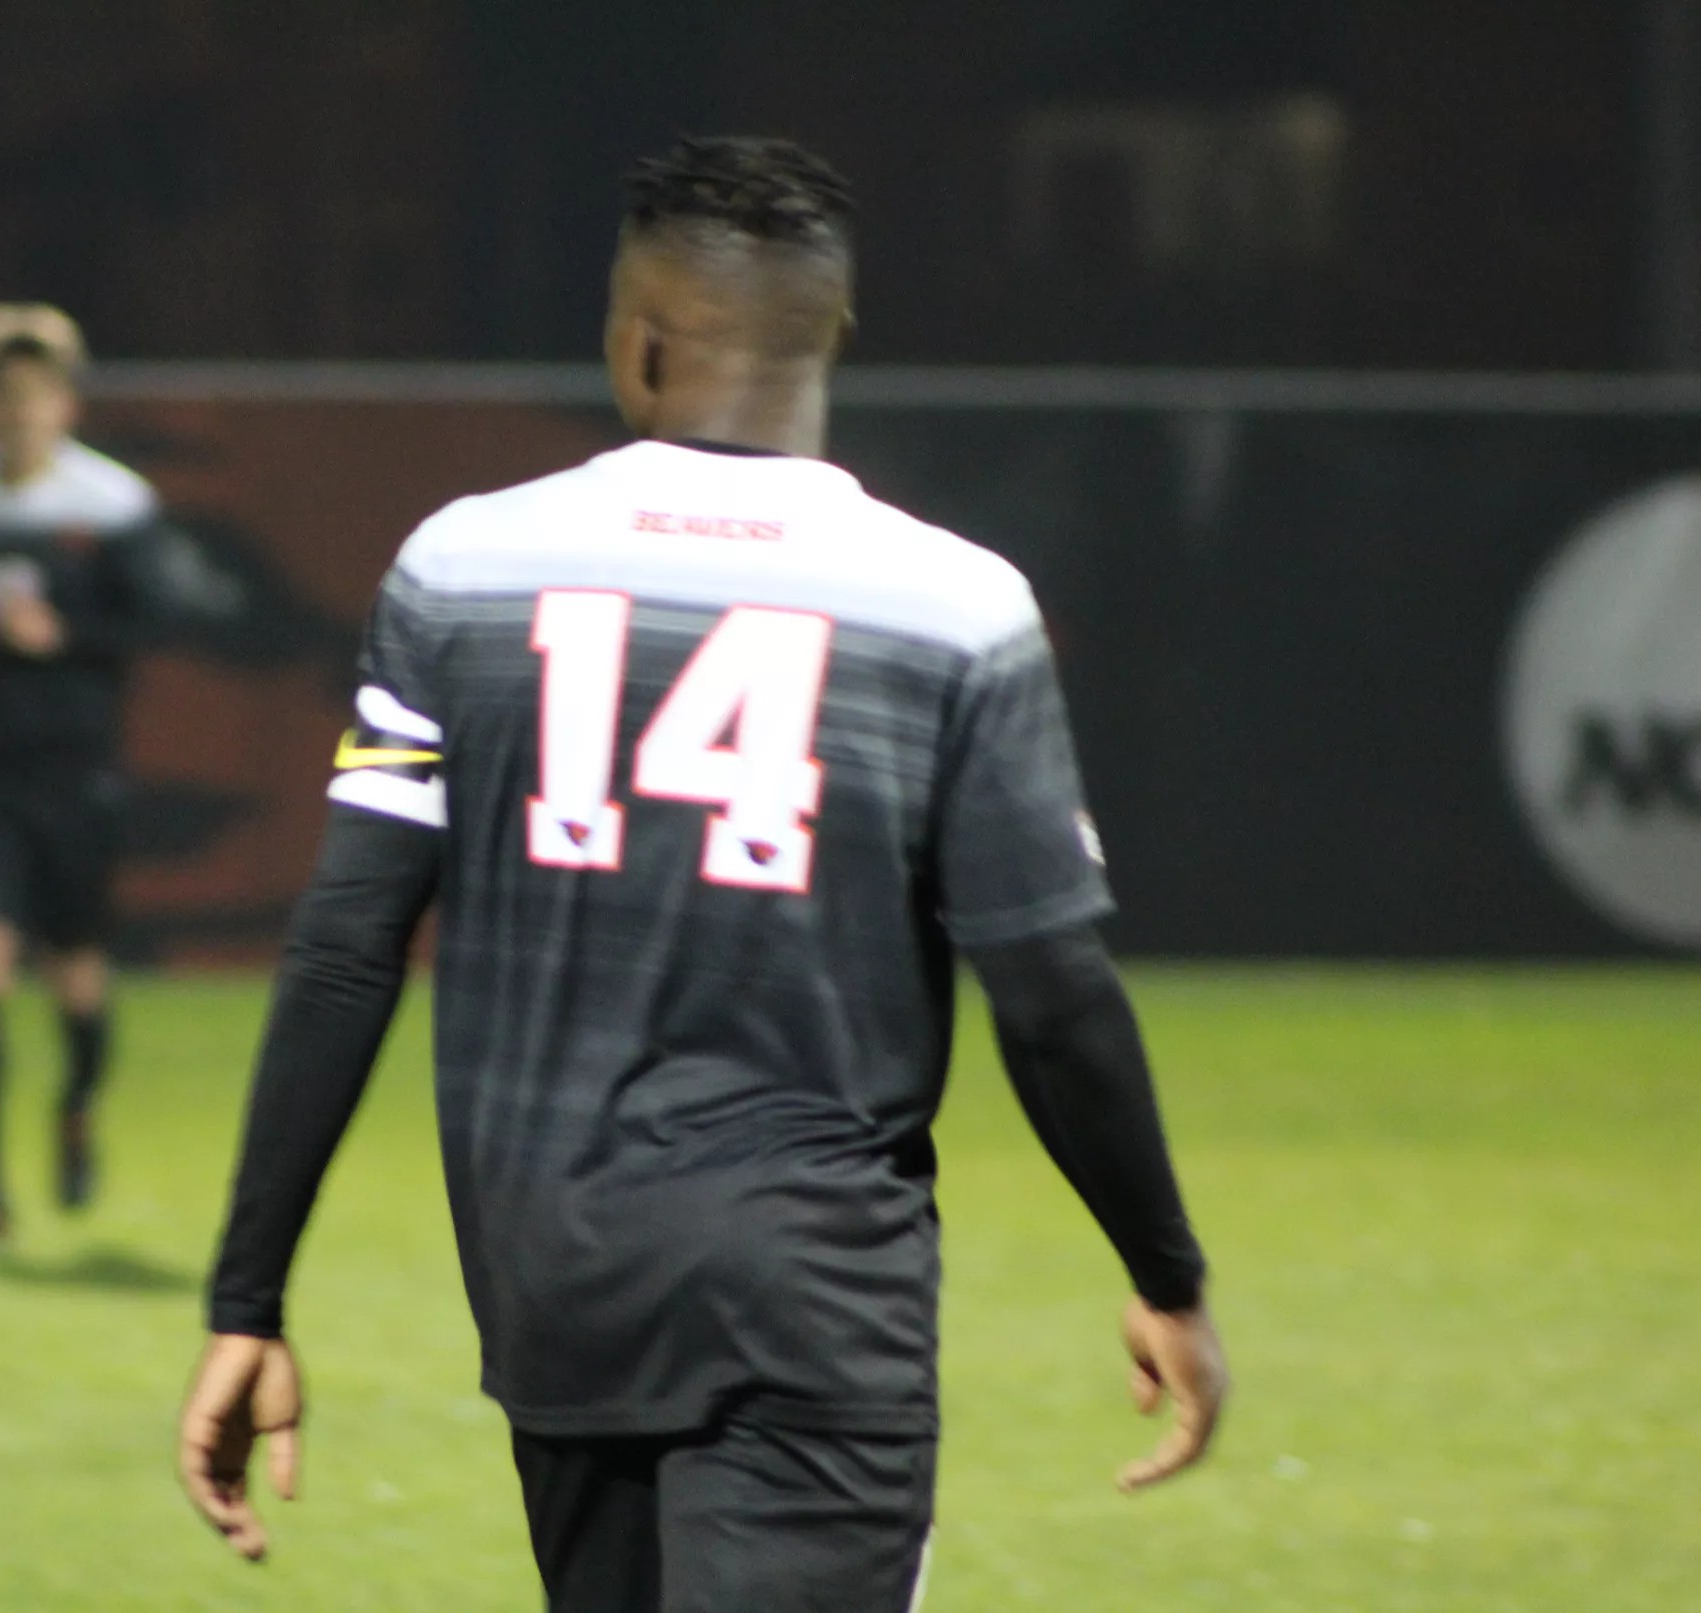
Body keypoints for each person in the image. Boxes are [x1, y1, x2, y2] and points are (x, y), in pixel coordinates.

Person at [179, 136, 1229, 1609]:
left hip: (556, 1278)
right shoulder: (956, 606)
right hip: (812, 1293)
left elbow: (349, 945)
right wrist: (1164, 1271)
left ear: (638, 336)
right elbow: (1050, 987)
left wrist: (249, 1297)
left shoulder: (461, 566)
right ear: (831, 336)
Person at [0, 303, 241, 1234]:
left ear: (66, 404)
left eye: (37, 394)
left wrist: (66, 635)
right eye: (2, 393)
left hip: (76, 778)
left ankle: (77, 1107)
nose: (19, 412)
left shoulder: (112, 505)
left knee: (77, 976)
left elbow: (164, 619)